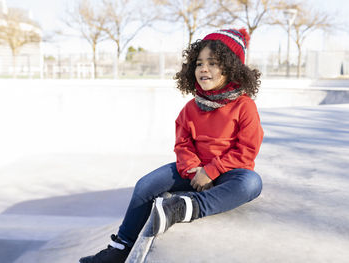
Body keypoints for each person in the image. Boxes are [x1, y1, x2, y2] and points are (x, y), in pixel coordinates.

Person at [79, 28, 264, 263]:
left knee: (251, 183)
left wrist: (211, 171)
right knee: (145, 185)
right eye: (199, 63)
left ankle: (183, 207)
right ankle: (120, 247)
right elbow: (183, 144)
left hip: (229, 172)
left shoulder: (244, 106)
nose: (203, 69)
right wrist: (194, 170)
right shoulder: (190, 108)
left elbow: (246, 150)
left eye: (213, 63)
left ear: (232, 68)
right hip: (193, 171)